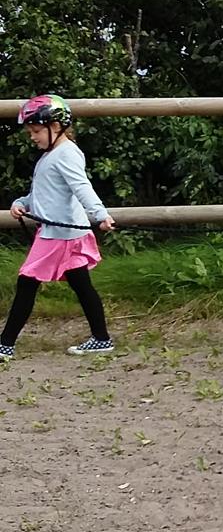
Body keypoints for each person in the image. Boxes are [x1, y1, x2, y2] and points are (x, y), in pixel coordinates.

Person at [1, 95, 116, 361]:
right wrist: (22, 203)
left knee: (27, 282)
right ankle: (102, 339)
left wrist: (100, 214)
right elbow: (44, 194)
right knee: (81, 285)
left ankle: (4, 344)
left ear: (56, 126)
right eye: (30, 132)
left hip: (60, 236)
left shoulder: (66, 154)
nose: (33, 137)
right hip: (63, 233)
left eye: (37, 131)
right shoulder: (51, 155)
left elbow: (81, 187)